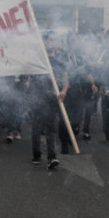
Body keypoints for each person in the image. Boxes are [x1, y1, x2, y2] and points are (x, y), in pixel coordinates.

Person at [26, 34, 69, 169]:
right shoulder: (38, 59)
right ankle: (37, 155)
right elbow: (28, 73)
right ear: (44, 42)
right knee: (37, 128)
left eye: (54, 39)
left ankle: (52, 157)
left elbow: (66, 79)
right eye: (49, 39)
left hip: (52, 99)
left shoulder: (59, 61)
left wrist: (63, 91)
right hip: (37, 98)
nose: (52, 42)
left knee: (51, 129)